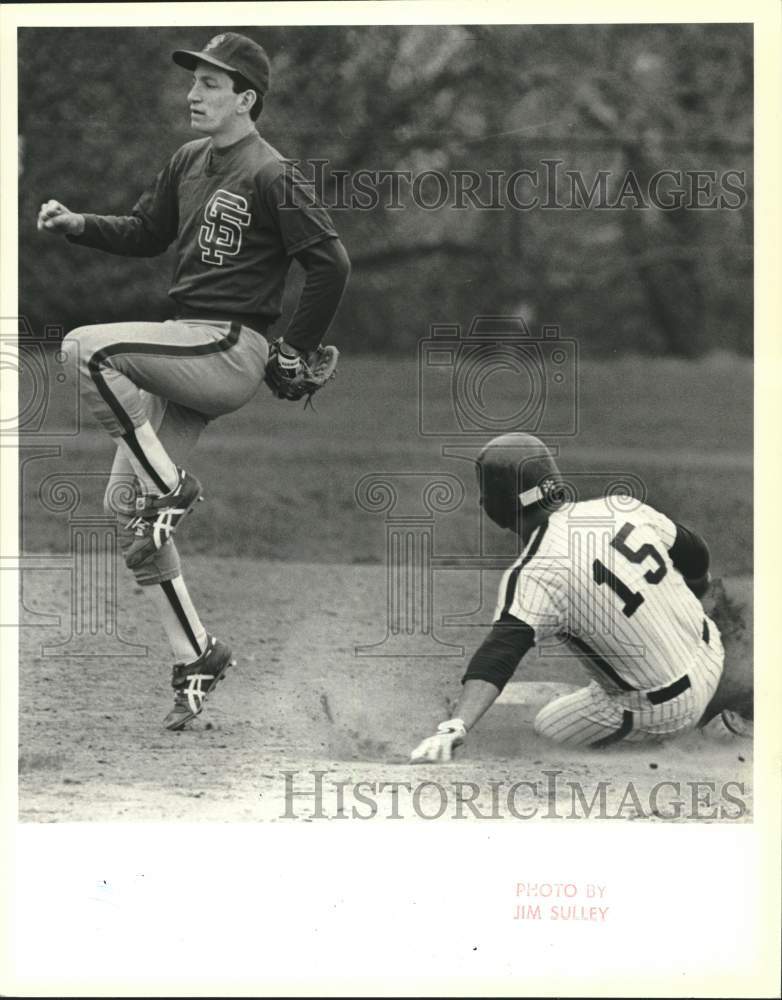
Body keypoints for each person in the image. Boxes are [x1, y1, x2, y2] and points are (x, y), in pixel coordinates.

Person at [37, 32, 351, 730]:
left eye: (211, 83)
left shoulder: (272, 173)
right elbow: (149, 232)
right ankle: (197, 653)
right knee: (127, 512)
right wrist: (79, 223)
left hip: (228, 346)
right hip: (188, 344)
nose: (193, 93)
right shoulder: (187, 160)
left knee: (85, 348)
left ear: (247, 99)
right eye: (195, 81)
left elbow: (332, 264)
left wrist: (294, 350)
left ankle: (173, 490)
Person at [410, 432, 740, 762]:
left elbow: (501, 652)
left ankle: (704, 736)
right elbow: (695, 552)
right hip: (712, 652)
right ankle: (724, 705)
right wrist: (694, 591)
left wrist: (456, 725)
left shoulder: (537, 572)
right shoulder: (620, 506)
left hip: (663, 715)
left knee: (548, 729)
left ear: (496, 506)